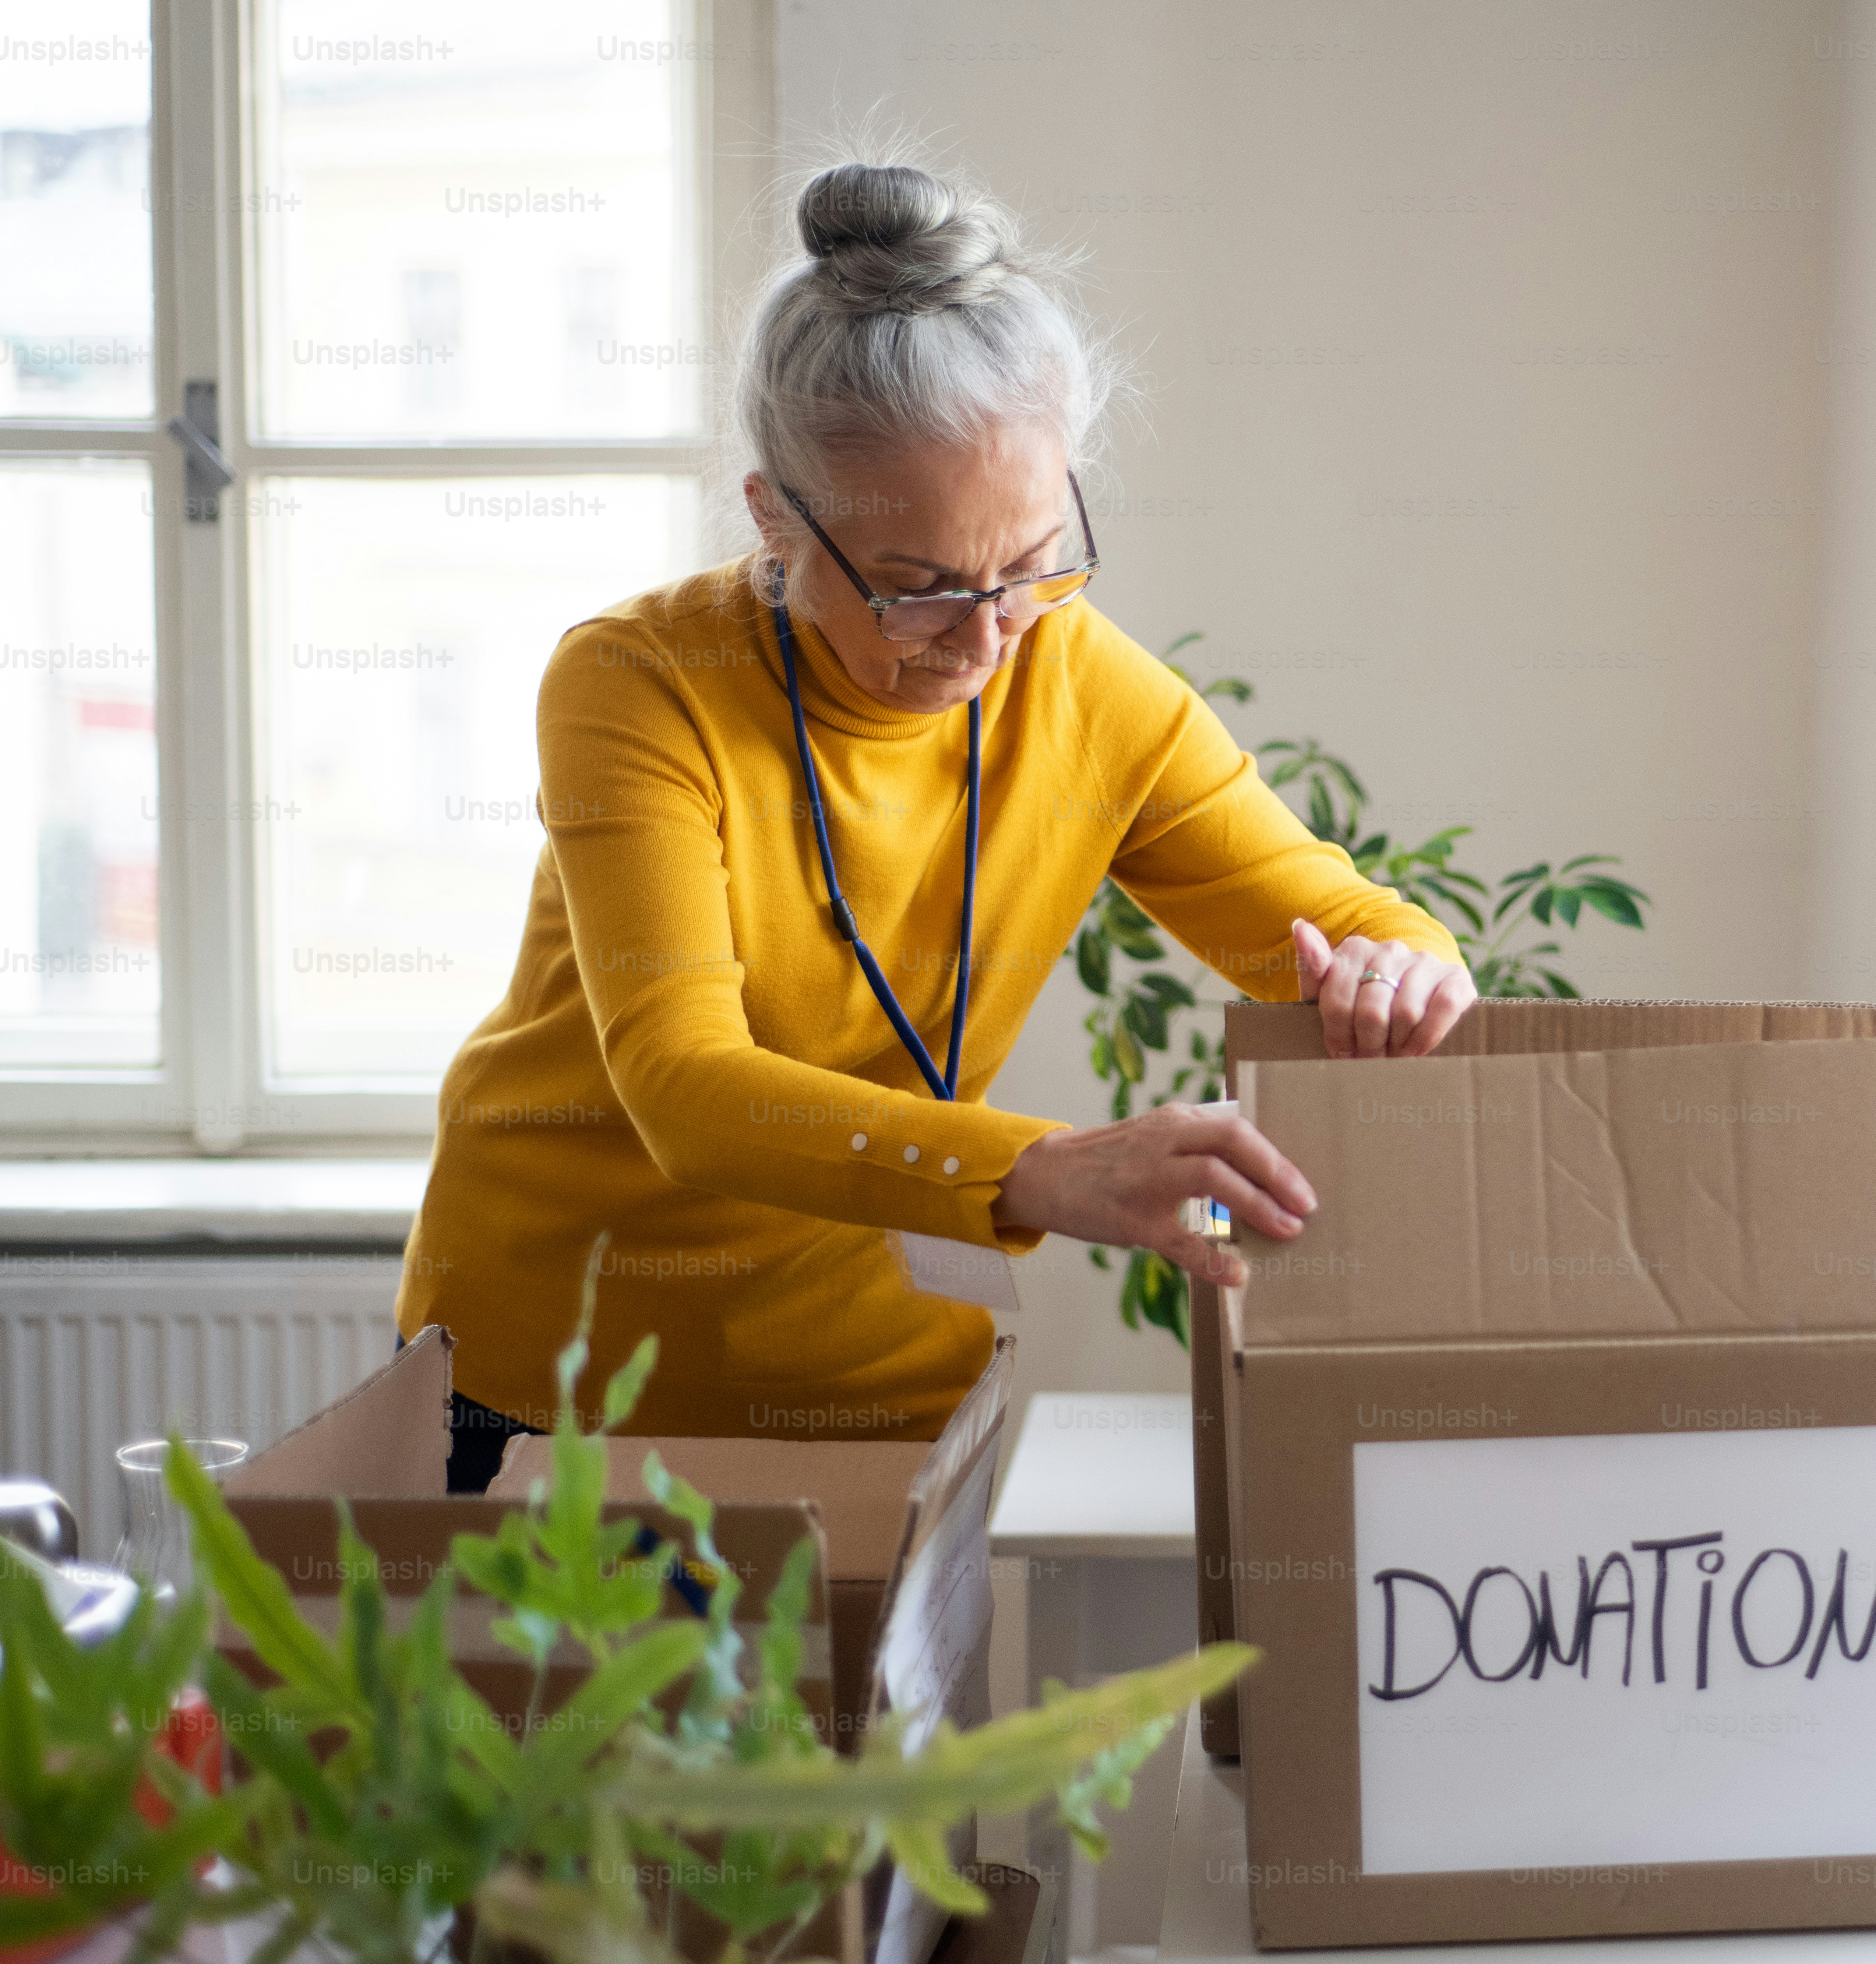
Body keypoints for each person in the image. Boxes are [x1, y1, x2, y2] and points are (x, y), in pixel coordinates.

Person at [398, 161, 1475, 1490]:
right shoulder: (638, 684)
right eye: (916, 590)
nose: (986, 638)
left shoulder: (1082, 684)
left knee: (875, 1716)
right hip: (559, 1383)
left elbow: (1329, 916)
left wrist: (1402, 965)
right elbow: (686, 1087)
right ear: (776, 522)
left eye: (1030, 565)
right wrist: (1058, 1170)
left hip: (882, 1389)